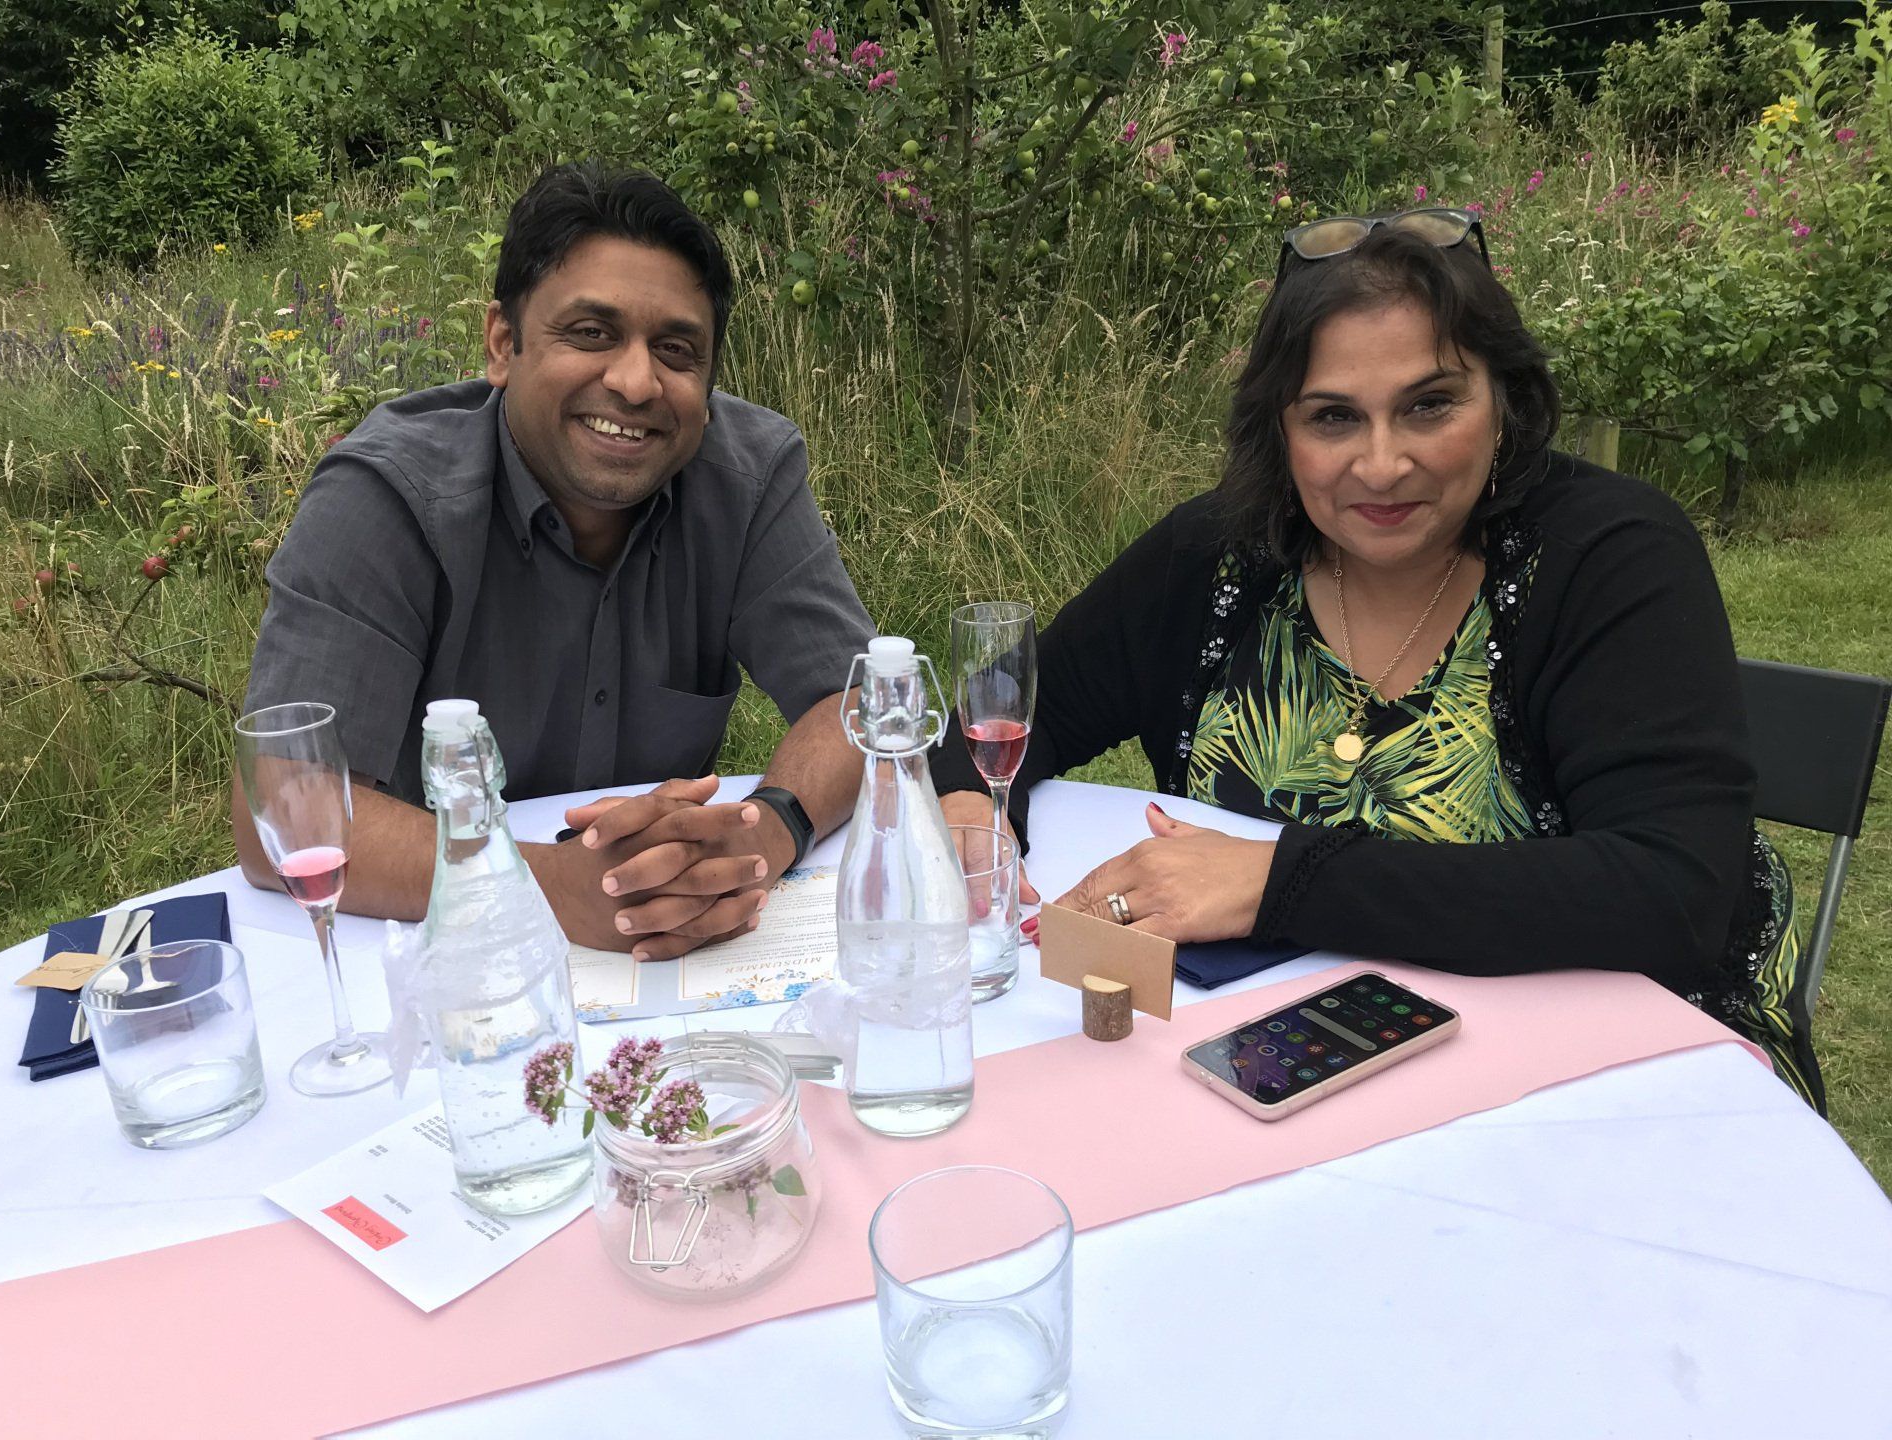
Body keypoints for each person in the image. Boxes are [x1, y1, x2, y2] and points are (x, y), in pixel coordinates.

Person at [934, 209, 1817, 1107]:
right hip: (1297, 1069)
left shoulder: (1611, 554)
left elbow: (1671, 894)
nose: (1382, 464)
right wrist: (971, 807)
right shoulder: (1214, 555)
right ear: (1280, 430)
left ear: (1504, 402)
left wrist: (1280, 882)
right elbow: (998, 710)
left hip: (1627, 1063)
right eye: (1333, 418)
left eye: (1430, 405)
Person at [235, 163, 873, 961]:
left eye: (677, 351)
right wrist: (547, 888)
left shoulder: (749, 476)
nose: (637, 382)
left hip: (670, 957)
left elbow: (856, 703)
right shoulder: (387, 497)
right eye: (592, 334)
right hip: (426, 951)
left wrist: (769, 832)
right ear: (503, 343)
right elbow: (288, 809)